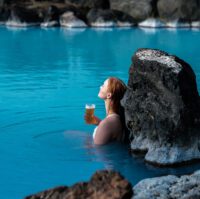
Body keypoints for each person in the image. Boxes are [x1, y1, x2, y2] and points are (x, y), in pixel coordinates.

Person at [84, 77, 128, 145]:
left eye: (103, 85)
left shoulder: (108, 123)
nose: (100, 86)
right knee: (69, 133)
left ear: (109, 95)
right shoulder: (115, 119)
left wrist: (86, 144)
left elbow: (97, 151)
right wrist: (99, 123)